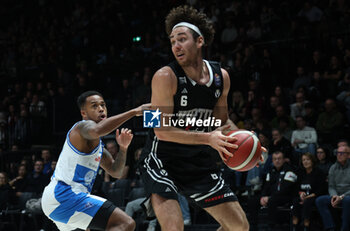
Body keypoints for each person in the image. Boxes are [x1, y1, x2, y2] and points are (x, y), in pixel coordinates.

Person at [139, 5, 265, 231]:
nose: (176, 45)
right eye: (172, 41)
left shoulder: (221, 77)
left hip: (197, 162)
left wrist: (247, 140)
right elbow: (159, 130)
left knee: (239, 226)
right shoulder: (163, 76)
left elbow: (222, 122)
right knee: (175, 228)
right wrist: (208, 139)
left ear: (199, 41)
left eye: (182, 39)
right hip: (161, 160)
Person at [41, 91, 148, 231]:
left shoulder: (98, 147)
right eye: (94, 106)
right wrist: (134, 112)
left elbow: (116, 172)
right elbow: (98, 130)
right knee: (126, 223)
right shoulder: (81, 127)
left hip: (59, 201)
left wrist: (123, 148)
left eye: (103, 105)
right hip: (65, 194)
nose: (101, 108)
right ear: (84, 113)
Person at [248, 151, 298, 231]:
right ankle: (253, 226)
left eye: (279, 159)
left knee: (272, 200)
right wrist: (263, 197)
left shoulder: (290, 171)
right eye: (275, 159)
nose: (277, 161)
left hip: (286, 197)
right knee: (253, 200)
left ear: (284, 160)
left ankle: (271, 226)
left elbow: (286, 189)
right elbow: (266, 187)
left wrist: (269, 197)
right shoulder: (271, 172)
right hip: (272, 197)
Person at [315, 145, 350, 231]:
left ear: (348, 155)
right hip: (336, 195)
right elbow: (331, 186)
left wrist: (341, 197)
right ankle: (330, 227)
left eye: (342, 153)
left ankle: (344, 228)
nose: (339, 155)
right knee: (320, 200)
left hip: (347, 196)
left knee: (347, 200)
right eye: (337, 153)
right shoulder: (333, 167)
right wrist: (334, 196)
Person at [291, 153, 327, 231]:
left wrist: (309, 196)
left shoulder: (319, 172)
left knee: (308, 202)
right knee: (295, 201)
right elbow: (296, 187)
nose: (305, 162)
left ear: (312, 161)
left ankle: (306, 225)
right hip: (303, 196)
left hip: (314, 196)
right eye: (303, 160)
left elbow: (322, 189)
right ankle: (294, 224)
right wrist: (300, 193)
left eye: (307, 159)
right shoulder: (300, 172)